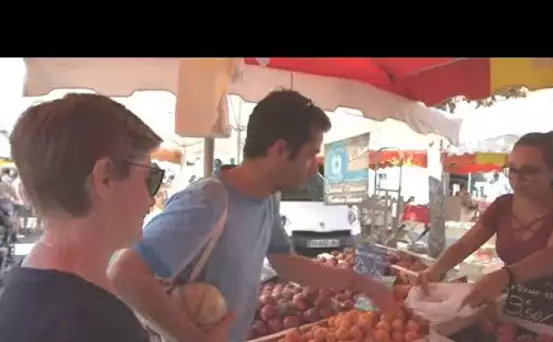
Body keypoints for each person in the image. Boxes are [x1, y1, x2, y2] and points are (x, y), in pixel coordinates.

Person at [109, 90, 396, 342]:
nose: (313, 169)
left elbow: (287, 264)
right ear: (280, 149)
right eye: (310, 155)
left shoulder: (267, 199)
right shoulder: (209, 200)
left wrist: (361, 282)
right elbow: (126, 274)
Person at [0, 93, 164, 342]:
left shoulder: (27, 286)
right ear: (104, 177)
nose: (151, 199)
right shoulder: (94, 322)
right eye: (149, 178)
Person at [417, 130, 553, 307]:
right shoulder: (503, 205)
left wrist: (505, 276)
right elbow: (465, 244)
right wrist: (436, 270)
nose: (517, 179)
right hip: (517, 303)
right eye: (512, 170)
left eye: (529, 171)